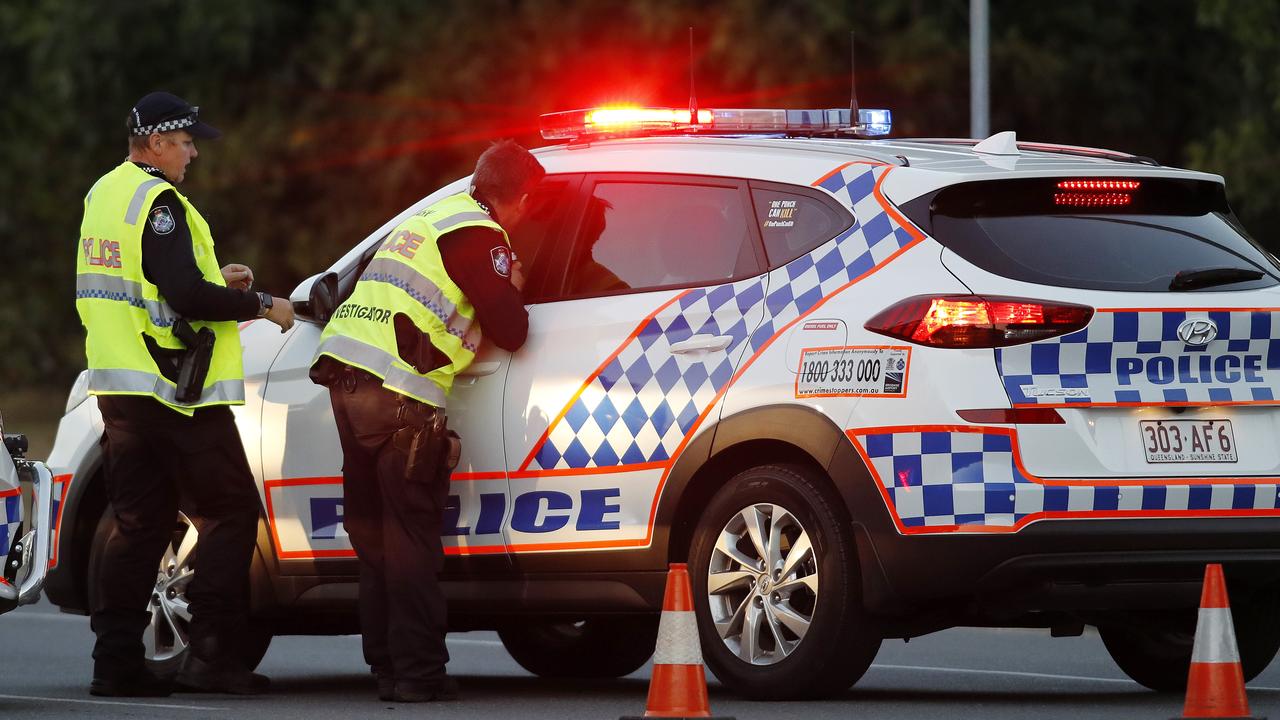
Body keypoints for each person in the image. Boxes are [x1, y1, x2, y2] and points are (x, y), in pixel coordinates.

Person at [75, 91, 295, 697]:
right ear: (155, 144)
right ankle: (214, 656)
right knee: (229, 512)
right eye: (186, 141)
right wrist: (260, 304)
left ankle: (114, 664)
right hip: (173, 387)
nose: (193, 151)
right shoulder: (161, 201)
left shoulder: (106, 193)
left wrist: (208, 282)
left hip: (119, 383)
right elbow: (186, 298)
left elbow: (148, 284)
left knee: (138, 523)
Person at [310, 139, 544, 703]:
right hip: (399, 394)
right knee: (411, 536)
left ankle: (388, 668)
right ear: (521, 197)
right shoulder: (481, 235)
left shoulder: (429, 217)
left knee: (374, 537)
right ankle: (418, 674)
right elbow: (512, 331)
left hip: (348, 385)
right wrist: (512, 286)